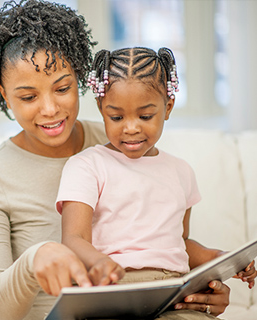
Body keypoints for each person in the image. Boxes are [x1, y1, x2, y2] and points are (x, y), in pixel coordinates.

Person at [0, 0, 232, 319]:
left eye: (62, 88)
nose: (49, 109)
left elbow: (167, 242)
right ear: (4, 95)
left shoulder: (123, 142)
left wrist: (202, 289)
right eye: (28, 97)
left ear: (80, 79)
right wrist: (33, 260)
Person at [57, 47, 257, 319]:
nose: (130, 128)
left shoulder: (181, 171)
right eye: (116, 117)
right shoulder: (86, 165)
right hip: (112, 287)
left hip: (172, 291)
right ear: (101, 109)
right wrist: (100, 263)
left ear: (168, 108)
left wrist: (222, 258)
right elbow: (74, 237)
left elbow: (181, 241)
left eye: (145, 116)